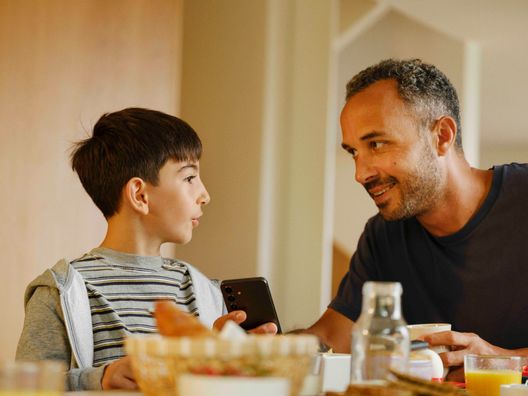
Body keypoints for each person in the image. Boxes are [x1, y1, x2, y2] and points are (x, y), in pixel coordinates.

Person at [16, 108, 276, 391]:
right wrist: (98, 378)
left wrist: (227, 357)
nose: (205, 195)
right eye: (189, 178)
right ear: (140, 195)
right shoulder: (61, 291)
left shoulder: (203, 291)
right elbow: (24, 388)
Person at [302, 59, 528, 380]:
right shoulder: (383, 235)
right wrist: (256, 348)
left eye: (376, 144)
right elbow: (332, 338)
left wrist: (503, 360)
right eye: (354, 151)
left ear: (442, 136)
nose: (360, 173)